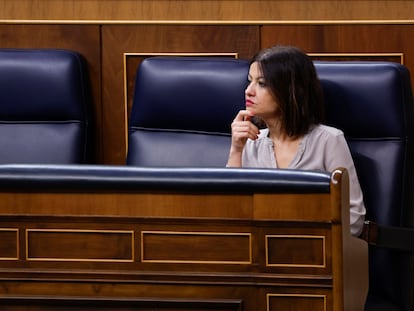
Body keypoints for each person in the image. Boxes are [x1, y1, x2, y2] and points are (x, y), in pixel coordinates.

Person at [226, 45, 365, 236]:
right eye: (249, 81)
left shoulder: (328, 141)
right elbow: (231, 212)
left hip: (316, 252)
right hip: (261, 253)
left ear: (290, 91)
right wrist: (236, 150)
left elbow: (353, 217)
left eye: (262, 83)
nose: (248, 91)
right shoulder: (251, 143)